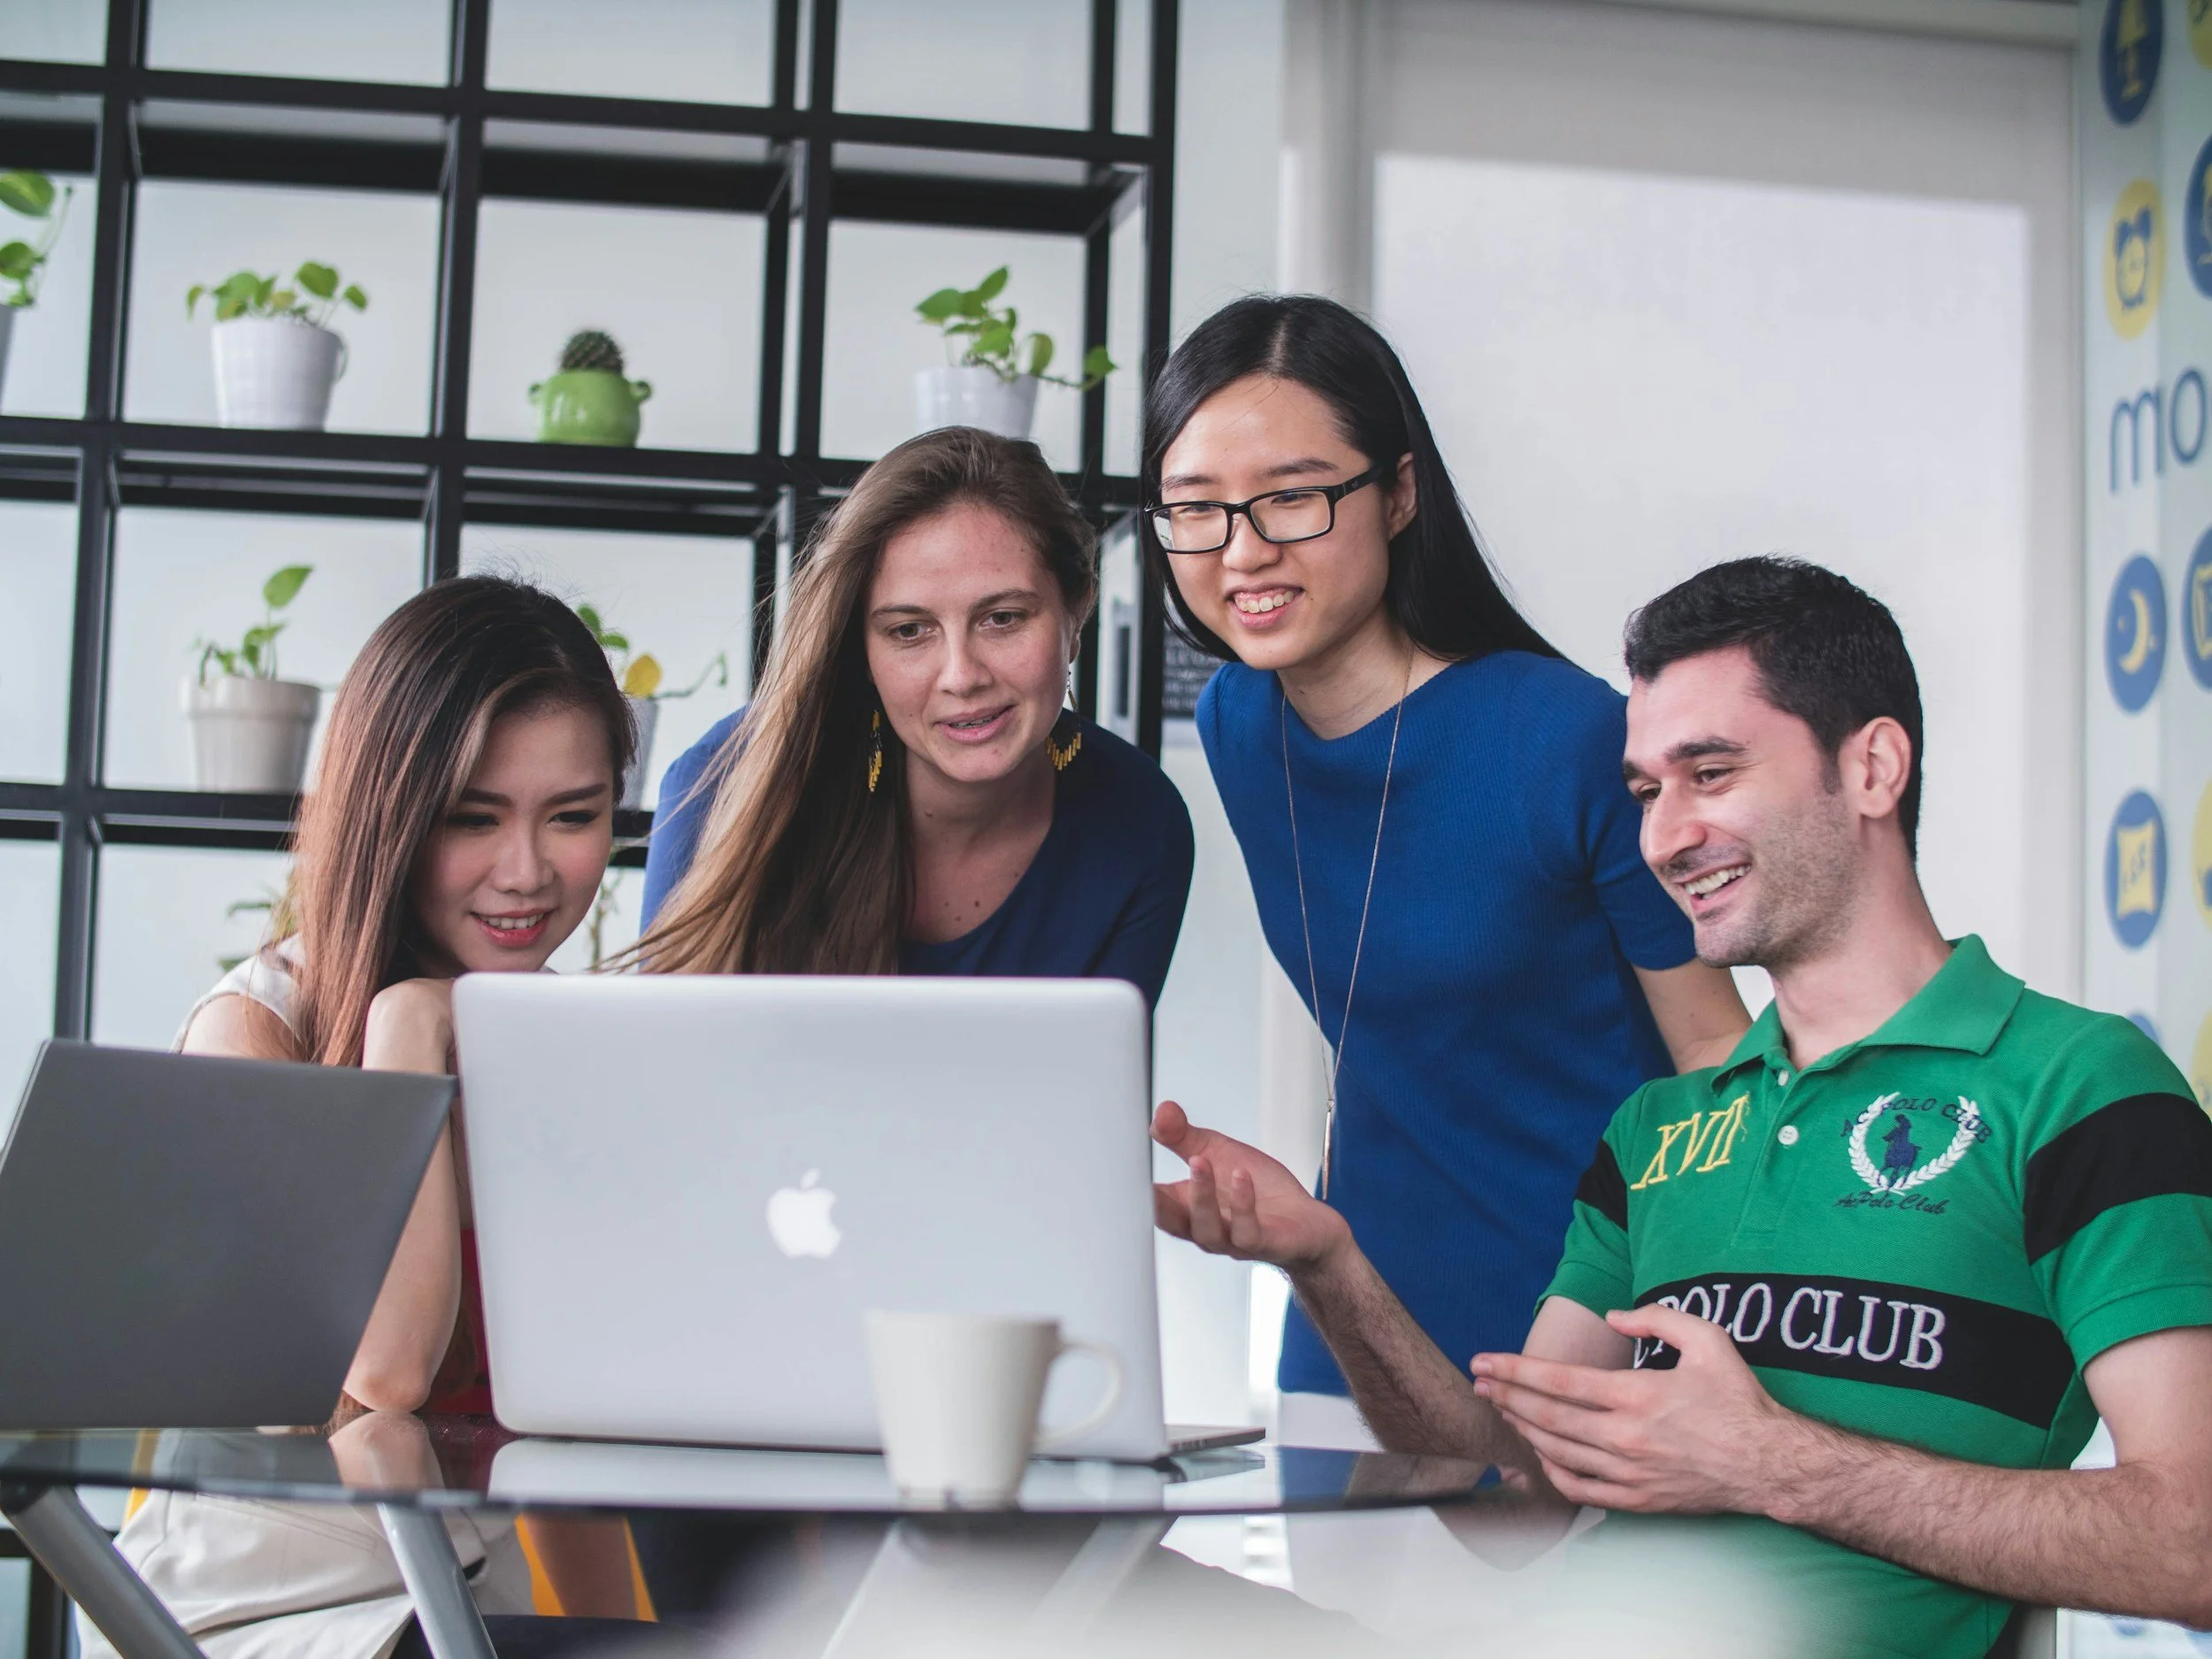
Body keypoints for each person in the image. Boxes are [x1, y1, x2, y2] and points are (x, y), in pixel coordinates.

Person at [1153, 557, 2212, 1656]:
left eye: (1710, 773)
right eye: (1648, 792)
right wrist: (1326, 1264)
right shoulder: (1656, 1131)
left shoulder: (2077, 1089)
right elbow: (1518, 1505)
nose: (1664, 838)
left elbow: (2192, 1543)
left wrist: (1771, 1461)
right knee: (1103, 1603)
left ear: (1873, 768)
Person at [1142, 295, 1749, 1438]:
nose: (1243, 550)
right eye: (1197, 510)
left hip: (1589, 1331)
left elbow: (1715, 1056)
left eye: (1293, 496)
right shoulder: (1238, 721)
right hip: (1353, 1325)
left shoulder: (1562, 736)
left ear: (1401, 491)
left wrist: (1700, 1327)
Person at [96, 577, 696, 1659]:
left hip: (466, 1605)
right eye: (474, 819)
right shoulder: (252, 1030)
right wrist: (408, 1031)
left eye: (574, 815)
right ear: (391, 813)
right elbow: (383, 1378)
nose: (529, 873)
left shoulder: (554, 1050)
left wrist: (648, 1641)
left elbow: (561, 1450)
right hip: (272, 1612)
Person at [636, 426, 1193, 1006]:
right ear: (863, 651)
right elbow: (668, 1074)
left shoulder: (1141, 824)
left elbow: (1091, 1088)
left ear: (1075, 613)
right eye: (909, 630)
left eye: (1002, 617)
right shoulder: (725, 784)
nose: (961, 674)